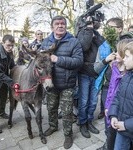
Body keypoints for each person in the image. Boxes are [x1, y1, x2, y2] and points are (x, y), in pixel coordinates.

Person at [41, 15, 83, 149]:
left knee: (66, 112)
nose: (60, 26)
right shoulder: (46, 42)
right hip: (51, 84)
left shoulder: (73, 42)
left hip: (67, 84)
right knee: (51, 108)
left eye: (63, 24)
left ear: (66, 26)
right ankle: (53, 126)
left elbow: (78, 62)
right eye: (57, 24)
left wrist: (58, 59)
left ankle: (68, 134)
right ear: (52, 27)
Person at [76, 15, 114, 138]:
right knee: (84, 101)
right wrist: (88, 29)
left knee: (93, 102)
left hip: (96, 74)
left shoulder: (97, 34)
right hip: (84, 74)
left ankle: (89, 121)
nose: (95, 23)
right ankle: (82, 123)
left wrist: (94, 33)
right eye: (92, 22)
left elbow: (106, 47)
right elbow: (84, 46)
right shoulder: (81, 33)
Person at [108, 41, 133, 150]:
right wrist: (113, 115)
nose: (124, 59)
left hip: (126, 126)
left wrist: (127, 125)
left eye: (127, 56)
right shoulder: (126, 76)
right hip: (122, 129)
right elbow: (117, 97)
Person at [98, 17, 124, 119]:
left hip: (121, 84)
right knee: (107, 111)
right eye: (107, 28)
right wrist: (106, 60)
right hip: (107, 84)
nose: (108, 30)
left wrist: (120, 61)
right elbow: (97, 66)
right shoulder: (103, 45)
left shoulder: (128, 43)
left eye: (111, 27)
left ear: (119, 29)